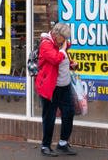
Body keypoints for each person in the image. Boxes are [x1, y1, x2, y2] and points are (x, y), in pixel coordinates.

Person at [35, 22, 78, 156]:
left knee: (69, 112)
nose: (65, 40)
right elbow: (55, 59)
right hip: (51, 87)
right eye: (63, 37)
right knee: (49, 116)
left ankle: (63, 143)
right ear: (56, 34)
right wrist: (63, 49)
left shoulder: (61, 45)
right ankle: (45, 146)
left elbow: (64, 61)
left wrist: (72, 65)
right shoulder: (46, 44)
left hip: (65, 86)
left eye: (66, 38)